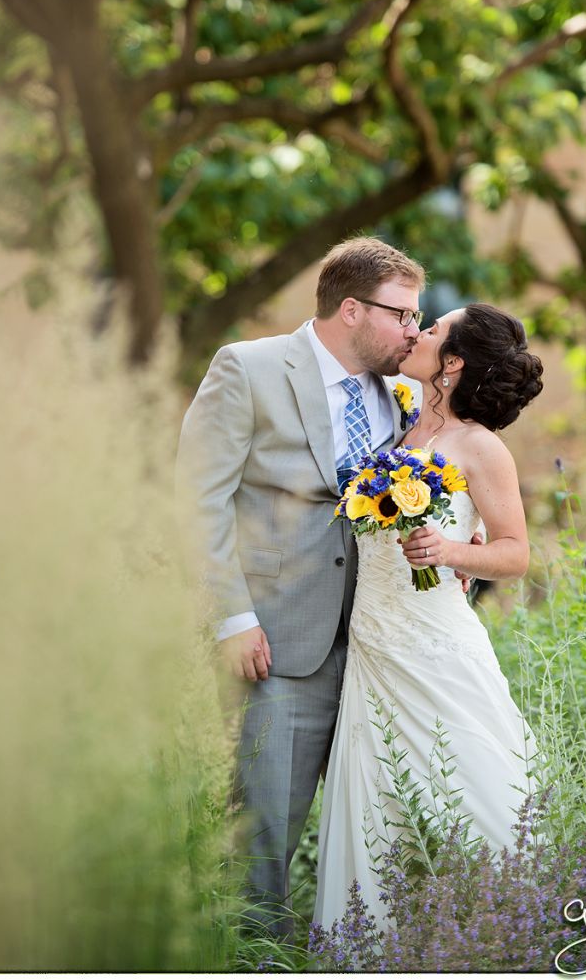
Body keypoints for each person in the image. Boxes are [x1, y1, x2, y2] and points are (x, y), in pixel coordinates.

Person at [177, 237, 431, 938]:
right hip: (280, 646)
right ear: (351, 308)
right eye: (403, 314)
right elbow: (196, 500)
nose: (415, 329)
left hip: (379, 653)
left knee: (377, 839)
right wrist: (232, 618)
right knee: (263, 840)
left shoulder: (401, 398)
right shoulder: (249, 368)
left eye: (419, 316)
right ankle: (250, 958)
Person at [313, 303, 544, 930]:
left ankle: (512, 932)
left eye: (434, 328)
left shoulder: (480, 447)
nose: (418, 331)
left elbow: (516, 553)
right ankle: (381, 947)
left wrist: (447, 550)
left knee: (471, 793)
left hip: (434, 645)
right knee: (380, 803)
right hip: (373, 643)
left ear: (453, 363)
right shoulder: (398, 425)